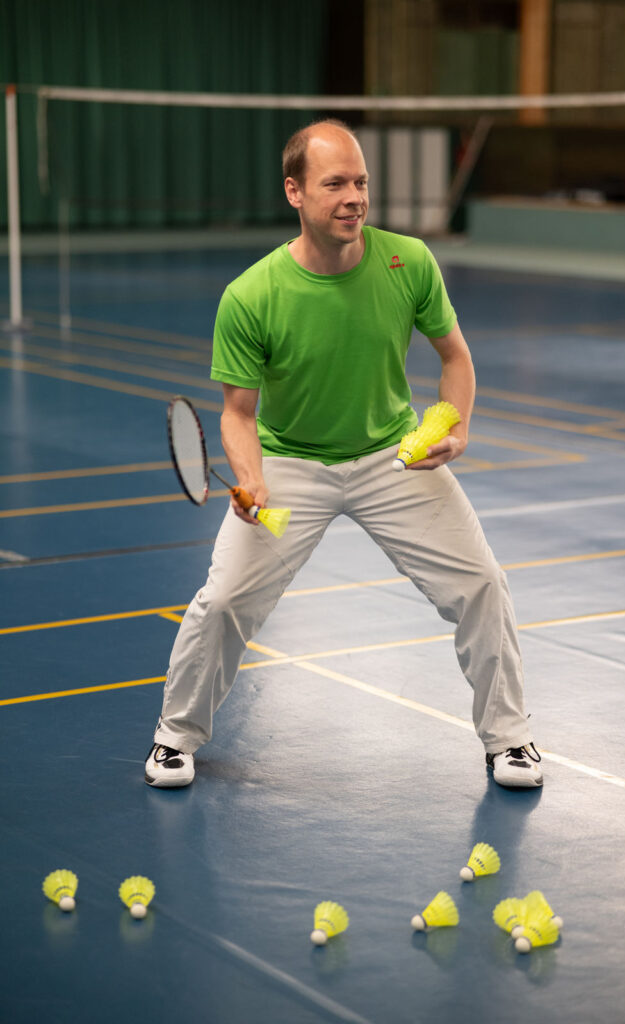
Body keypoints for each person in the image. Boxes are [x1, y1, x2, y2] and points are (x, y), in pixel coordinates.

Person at [145, 120, 543, 791]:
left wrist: (453, 425)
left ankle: (510, 740)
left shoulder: (407, 262)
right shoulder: (251, 295)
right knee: (225, 602)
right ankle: (175, 738)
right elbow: (238, 415)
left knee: (482, 585)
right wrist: (251, 482)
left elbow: (455, 358)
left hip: (393, 458)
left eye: (360, 181)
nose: (354, 195)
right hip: (290, 467)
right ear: (295, 192)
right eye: (336, 183)